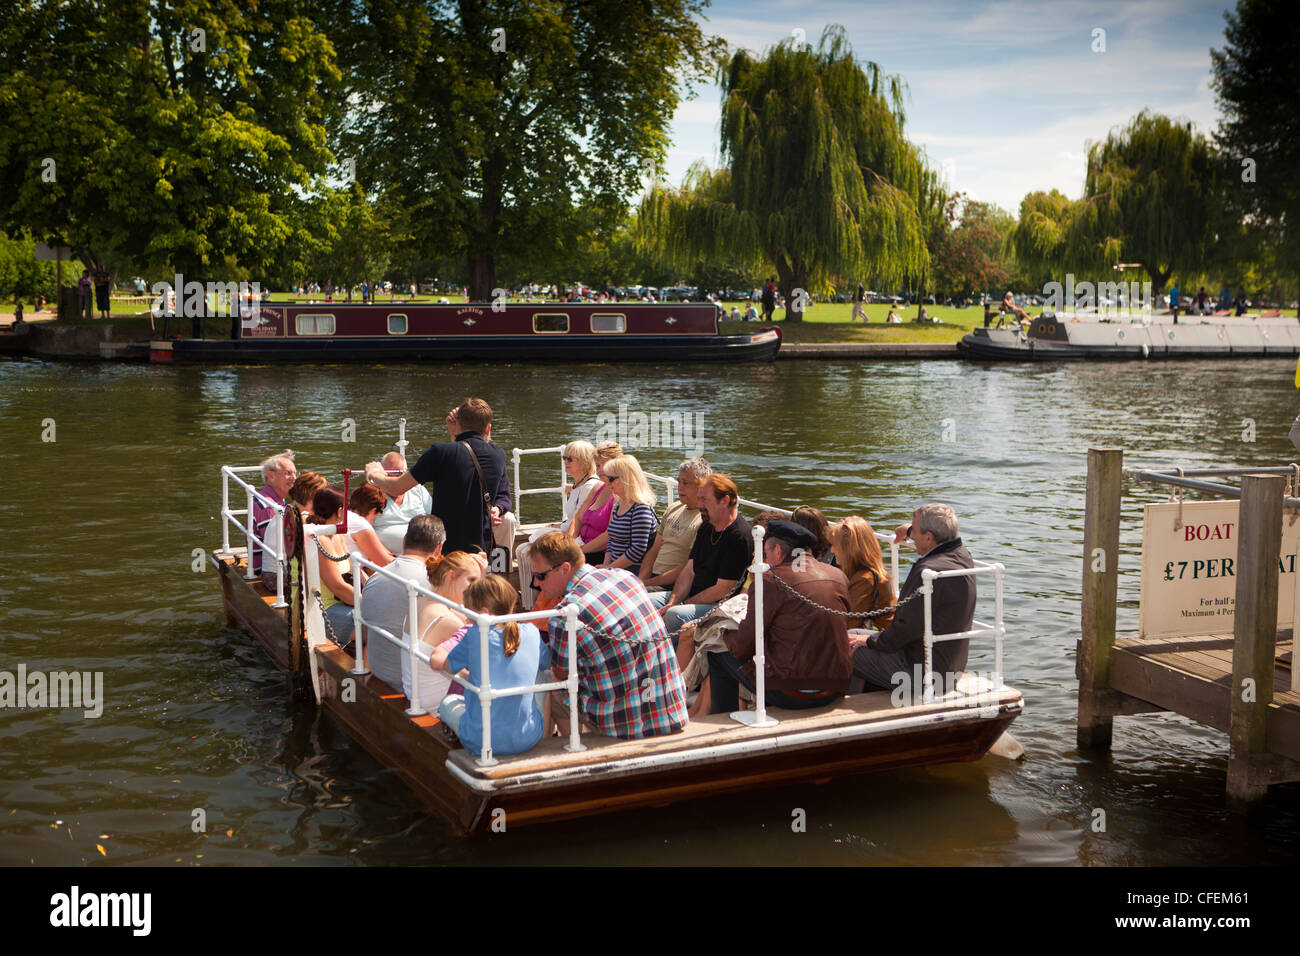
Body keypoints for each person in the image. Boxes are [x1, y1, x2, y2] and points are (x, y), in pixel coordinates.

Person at [529, 532, 688, 739]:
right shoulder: (627, 578)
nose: (536, 583)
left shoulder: (566, 615)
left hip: (623, 724)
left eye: (540, 576)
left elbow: (562, 675)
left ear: (565, 568)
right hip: (670, 711)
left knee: (548, 680)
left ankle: (567, 751)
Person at [708, 520, 853, 714]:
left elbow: (743, 645)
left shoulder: (769, 580)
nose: (763, 559)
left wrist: (725, 635)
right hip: (833, 688)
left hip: (789, 692)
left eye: (765, 553)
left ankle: (723, 717)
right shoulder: (838, 576)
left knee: (716, 652)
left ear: (777, 550)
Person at [850, 504, 975, 697]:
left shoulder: (926, 572)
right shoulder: (963, 556)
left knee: (848, 647)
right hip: (949, 668)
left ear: (929, 536)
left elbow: (904, 631)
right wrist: (909, 529)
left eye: (915, 532)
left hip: (920, 673)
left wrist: (870, 641)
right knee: (852, 634)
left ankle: (849, 704)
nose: (912, 537)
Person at [364, 397, 505, 555]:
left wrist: (374, 473)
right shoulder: (498, 455)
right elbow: (467, 456)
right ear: (488, 429)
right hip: (480, 551)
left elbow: (396, 488)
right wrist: (457, 433)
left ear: (458, 423)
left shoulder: (440, 452)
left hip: (444, 551)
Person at [433, 574, 549, 756]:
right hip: (528, 737)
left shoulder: (474, 635)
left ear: (485, 613)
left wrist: (471, 671)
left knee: (447, 703)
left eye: (470, 614)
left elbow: (447, 666)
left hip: (481, 741)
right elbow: (546, 662)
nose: (467, 619)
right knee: (542, 675)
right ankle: (546, 736)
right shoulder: (532, 632)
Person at [650, 474, 753, 635]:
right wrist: (673, 601)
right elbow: (689, 571)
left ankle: (669, 657)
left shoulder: (739, 536)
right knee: (643, 601)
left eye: (704, 500)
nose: (699, 505)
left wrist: (683, 605)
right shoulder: (706, 526)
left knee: (675, 615)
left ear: (725, 500)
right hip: (691, 597)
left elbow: (722, 589)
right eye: (699, 499)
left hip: (718, 605)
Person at [359, 515, 446, 692]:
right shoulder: (435, 584)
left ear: (405, 541)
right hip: (409, 681)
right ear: (439, 548)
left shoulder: (374, 578)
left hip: (381, 671)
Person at [516, 440, 603, 608]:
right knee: (522, 550)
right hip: (565, 532)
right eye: (565, 458)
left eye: (571, 459)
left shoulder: (588, 487)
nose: (566, 462)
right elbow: (572, 518)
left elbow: (579, 521)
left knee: (526, 552)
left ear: (584, 461)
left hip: (575, 539)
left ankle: (532, 604)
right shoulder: (579, 485)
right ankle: (530, 602)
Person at [405, 550, 483, 712]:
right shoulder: (449, 621)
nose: (477, 589)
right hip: (435, 701)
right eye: (472, 580)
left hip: (413, 691)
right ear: (451, 576)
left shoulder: (420, 601)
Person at [639, 458, 710, 591]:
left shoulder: (704, 520)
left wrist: (647, 584)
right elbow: (654, 550)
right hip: (652, 580)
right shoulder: (673, 508)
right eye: (679, 482)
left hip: (672, 585)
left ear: (701, 485)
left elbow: (687, 567)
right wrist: (641, 580)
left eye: (686, 483)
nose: (680, 487)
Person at [310, 486, 358, 645]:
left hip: (343, 603)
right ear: (339, 511)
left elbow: (352, 571)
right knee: (378, 626)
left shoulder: (337, 534)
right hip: (324, 610)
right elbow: (337, 587)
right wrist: (370, 604)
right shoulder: (319, 539)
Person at [833, 515, 896, 630]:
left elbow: (847, 623)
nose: (832, 550)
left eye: (835, 546)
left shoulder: (865, 579)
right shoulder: (870, 573)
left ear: (849, 550)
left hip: (871, 640)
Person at [599, 455, 658, 575]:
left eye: (611, 478)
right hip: (615, 568)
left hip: (632, 571)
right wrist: (606, 565)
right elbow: (612, 540)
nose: (607, 483)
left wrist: (608, 569)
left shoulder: (641, 509)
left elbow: (637, 550)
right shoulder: (619, 505)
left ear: (625, 478)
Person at [372, 451, 433, 554]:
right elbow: (363, 529)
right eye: (389, 475)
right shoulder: (372, 494)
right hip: (384, 558)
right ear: (381, 474)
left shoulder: (417, 489)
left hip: (423, 554)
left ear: (406, 473)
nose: (394, 479)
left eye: (399, 474)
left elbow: (434, 516)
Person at [253, 449, 297, 589]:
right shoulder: (269, 507)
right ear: (271, 476)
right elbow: (277, 548)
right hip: (266, 570)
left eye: (295, 473)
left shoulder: (275, 501)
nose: (294, 478)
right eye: (288, 473)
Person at [573, 441, 622, 563]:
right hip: (580, 544)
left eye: (605, 465)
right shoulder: (597, 488)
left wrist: (580, 551)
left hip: (598, 554)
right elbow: (578, 518)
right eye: (598, 466)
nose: (600, 470)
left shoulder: (619, 496)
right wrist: (570, 542)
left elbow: (609, 535)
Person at [346, 483, 396, 568]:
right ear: (374, 510)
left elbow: (380, 551)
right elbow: (386, 563)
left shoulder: (344, 517)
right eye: (379, 512)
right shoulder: (361, 525)